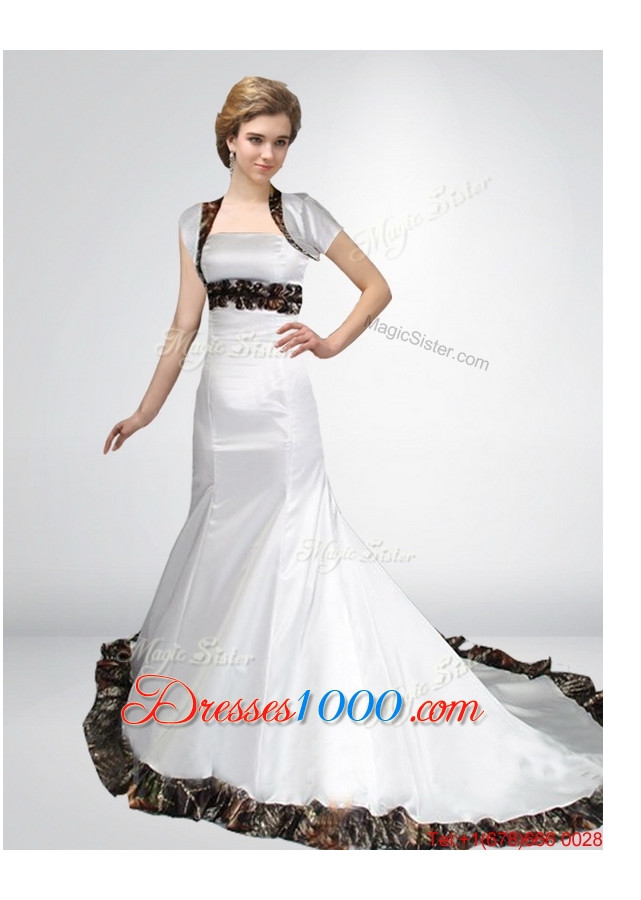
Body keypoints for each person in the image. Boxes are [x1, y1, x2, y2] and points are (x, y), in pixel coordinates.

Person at [83, 76, 603, 851]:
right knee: (221, 534)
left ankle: (303, 711)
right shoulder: (194, 221)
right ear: (228, 138)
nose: (268, 153)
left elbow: (375, 287)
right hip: (218, 408)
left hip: (281, 407)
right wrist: (146, 409)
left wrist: (328, 342)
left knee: (295, 543)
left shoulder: (300, 213)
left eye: (281, 141)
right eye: (255, 139)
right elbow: (183, 325)